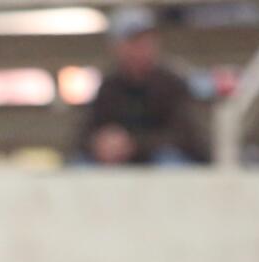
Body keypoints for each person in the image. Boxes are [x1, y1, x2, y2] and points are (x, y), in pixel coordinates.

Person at [74, 5, 209, 166]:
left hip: (161, 161)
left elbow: (187, 137)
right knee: (81, 165)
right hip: (121, 164)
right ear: (117, 47)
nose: (141, 48)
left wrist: (133, 144)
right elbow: (83, 134)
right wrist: (99, 143)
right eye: (133, 42)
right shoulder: (110, 86)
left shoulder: (171, 83)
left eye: (146, 41)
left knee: (170, 162)